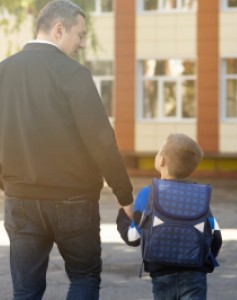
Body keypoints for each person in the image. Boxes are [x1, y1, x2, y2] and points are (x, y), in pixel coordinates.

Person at [0, 1, 134, 299]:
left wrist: (7, 183)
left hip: (20, 200)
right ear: (59, 30)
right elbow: (101, 140)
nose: (83, 44)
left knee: (25, 291)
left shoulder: (3, 72)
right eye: (80, 34)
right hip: (73, 201)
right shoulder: (74, 74)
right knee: (84, 277)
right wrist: (125, 196)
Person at [117, 133, 222, 300]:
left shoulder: (148, 194)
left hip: (162, 273)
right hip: (195, 273)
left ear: (162, 161)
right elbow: (216, 236)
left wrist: (122, 215)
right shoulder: (200, 196)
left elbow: (133, 237)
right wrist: (207, 261)